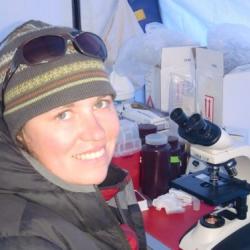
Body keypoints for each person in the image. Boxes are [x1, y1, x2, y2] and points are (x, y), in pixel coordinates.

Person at [0, 20, 147, 250]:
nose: (96, 132)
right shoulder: (22, 240)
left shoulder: (75, 185)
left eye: (100, 104)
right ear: (18, 133)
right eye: (64, 114)